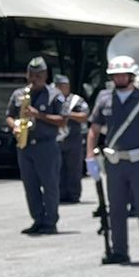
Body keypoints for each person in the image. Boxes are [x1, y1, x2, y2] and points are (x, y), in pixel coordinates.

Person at [84, 54, 139, 266]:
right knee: (116, 209)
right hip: (115, 162)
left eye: (123, 75)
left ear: (132, 76)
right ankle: (119, 250)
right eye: (116, 75)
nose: (119, 78)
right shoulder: (104, 99)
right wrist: (90, 157)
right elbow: (94, 130)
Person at [8, 56, 67, 235]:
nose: (34, 78)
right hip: (25, 145)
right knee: (30, 185)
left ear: (46, 75)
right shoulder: (19, 94)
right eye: (31, 75)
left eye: (38, 75)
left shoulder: (55, 95)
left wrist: (39, 115)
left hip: (46, 145)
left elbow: (62, 120)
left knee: (49, 185)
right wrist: (15, 125)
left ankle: (50, 221)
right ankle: (38, 219)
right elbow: (9, 115)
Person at [53, 74, 89, 204]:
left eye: (64, 86)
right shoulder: (52, 100)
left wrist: (68, 114)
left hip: (73, 140)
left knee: (74, 169)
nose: (61, 88)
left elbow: (84, 116)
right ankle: (60, 195)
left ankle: (74, 195)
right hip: (56, 140)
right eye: (58, 86)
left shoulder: (76, 100)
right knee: (57, 169)